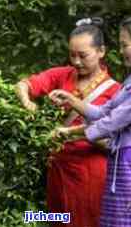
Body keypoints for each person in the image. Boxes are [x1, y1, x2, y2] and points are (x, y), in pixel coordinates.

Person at [49, 10, 131, 227]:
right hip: (120, 162)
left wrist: (68, 132)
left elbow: (111, 122)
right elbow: (103, 111)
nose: (121, 51)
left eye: (125, 45)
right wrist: (72, 100)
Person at [15, 17, 121, 227]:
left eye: (83, 55)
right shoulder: (62, 75)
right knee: (56, 219)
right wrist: (28, 102)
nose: (76, 61)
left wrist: (71, 133)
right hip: (58, 170)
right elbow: (23, 84)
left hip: (91, 174)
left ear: (101, 51)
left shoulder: (116, 91)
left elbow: (114, 142)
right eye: (72, 55)